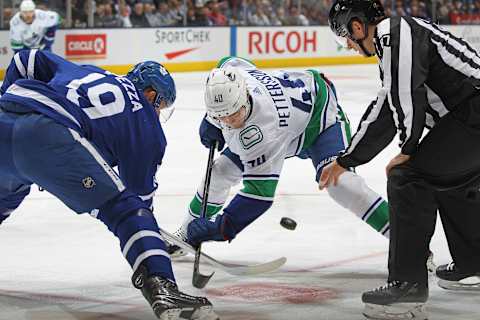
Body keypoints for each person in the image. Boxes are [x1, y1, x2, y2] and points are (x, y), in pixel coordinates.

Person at [0, 49, 217, 320]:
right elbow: (138, 204)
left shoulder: (92, 71)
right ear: (152, 95)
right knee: (125, 209)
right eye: (161, 105)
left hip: (6, 115)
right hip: (49, 134)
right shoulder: (148, 126)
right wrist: (148, 233)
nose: (159, 112)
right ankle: (162, 286)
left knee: (5, 197)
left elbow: (26, 59)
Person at [324, 0, 480, 318]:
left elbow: (407, 94)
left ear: (357, 26)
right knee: (446, 177)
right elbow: (385, 107)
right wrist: (347, 159)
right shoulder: (396, 42)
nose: (350, 47)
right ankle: (472, 263)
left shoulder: (395, 32)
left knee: (408, 177)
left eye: (346, 39)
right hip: (471, 118)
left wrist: (407, 149)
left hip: (474, 114)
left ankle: (407, 286)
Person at [169, 56, 391, 258]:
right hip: (293, 112)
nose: (228, 122)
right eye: (220, 116)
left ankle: (406, 242)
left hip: (322, 121)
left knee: (341, 184)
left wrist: (222, 228)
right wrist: (211, 120)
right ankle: (186, 232)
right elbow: (228, 60)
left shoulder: (265, 129)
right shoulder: (233, 76)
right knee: (220, 172)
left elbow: (259, 195)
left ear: (244, 98)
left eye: (233, 114)